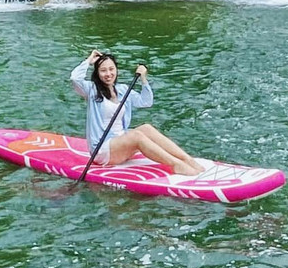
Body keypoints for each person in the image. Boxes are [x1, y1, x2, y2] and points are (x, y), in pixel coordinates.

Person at [71, 49, 203, 177]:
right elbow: (75, 78)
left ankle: (187, 159)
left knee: (146, 128)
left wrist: (143, 79)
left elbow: (146, 102)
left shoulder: (122, 90)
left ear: (116, 70)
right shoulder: (92, 91)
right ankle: (176, 165)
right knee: (136, 135)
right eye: (103, 70)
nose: (108, 74)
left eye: (111, 69)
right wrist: (89, 60)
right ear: (97, 73)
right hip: (102, 150)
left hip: (120, 144)